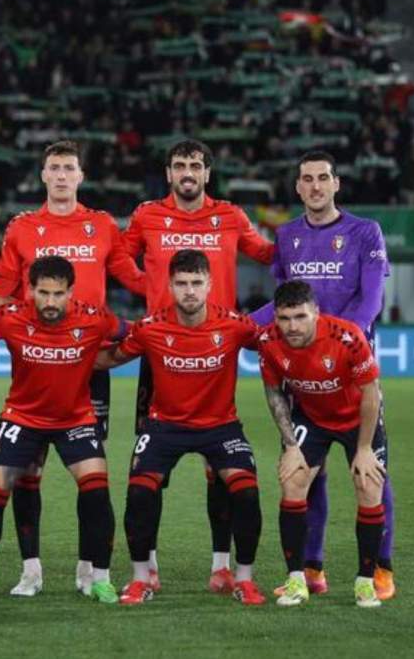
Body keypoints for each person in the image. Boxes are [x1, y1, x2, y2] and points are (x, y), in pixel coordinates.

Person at [0, 140, 146, 596]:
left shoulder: (102, 225)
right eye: (54, 168)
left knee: (89, 471)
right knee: (29, 474)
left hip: (88, 356)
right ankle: (31, 570)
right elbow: (3, 286)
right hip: (40, 355)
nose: (62, 175)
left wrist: (178, 299)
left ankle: (90, 571)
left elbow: (133, 276)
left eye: (70, 167)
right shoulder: (23, 227)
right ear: (44, 176)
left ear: (80, 176)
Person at [121, 138, 274, 593]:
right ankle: (146, 568)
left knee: (219, 468)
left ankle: (222, 566)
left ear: (207, 173)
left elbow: (269, 255)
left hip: (216, 347)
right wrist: (149, 290)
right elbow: (118, 257)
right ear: (168, 173)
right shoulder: (147, 215)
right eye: (179, 165)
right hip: (161, 350)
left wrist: (259, 317)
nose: (187, 172)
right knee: (151, 469)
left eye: (195, 165)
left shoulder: (229, 216)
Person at [251, 150, 397, 600]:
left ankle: (381, 571)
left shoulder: (364, 232)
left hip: (353, 375)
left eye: (323, 178)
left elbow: (370, 301)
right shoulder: (287, 235)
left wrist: (333, 342)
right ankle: (310, 569)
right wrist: (233, 328)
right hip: (303, 382)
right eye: (307, 179)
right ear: (298, 188)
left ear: (336, 184)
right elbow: (281, 307)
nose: (315, 186)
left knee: (369, 472)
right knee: (303, 473)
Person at [94, 249, 266, 606]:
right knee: (140, 492)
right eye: (182, 283)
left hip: (221, 425)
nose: (190, 290)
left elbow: (274, 346)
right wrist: (65, 352)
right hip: (164, 426)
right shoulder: (150, 328)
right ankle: (143, 578)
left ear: (210, 285)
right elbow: (111, 358)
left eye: (197, 283)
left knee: (247, 492)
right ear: (170, 286)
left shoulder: (234, 325)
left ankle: (244, 579)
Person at [0, 256, 126, 604]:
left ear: (71, 292)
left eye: (58, 293)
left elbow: (132, 335)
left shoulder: (94, 318)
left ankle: (99, 579)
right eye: (43, 293)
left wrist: (108, 359)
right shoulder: (10, 317)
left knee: (97, 493)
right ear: (30, 290)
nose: (50, 302)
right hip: (22, 418)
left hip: (76, 419)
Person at [256, 281, 387, 608]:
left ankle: (365, 582)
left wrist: (365, 448)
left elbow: (371, 393)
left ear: (316, 313)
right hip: (311, 418)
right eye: (285, 318)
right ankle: (297, 580)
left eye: (300, 317)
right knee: (293, 481)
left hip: (358, 419)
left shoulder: (347, 338)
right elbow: (274, 394)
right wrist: (290, 446)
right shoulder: (269, 341)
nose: (292, 326)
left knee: (368, 485)